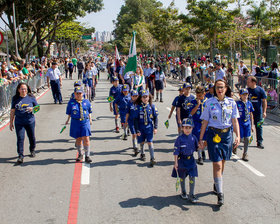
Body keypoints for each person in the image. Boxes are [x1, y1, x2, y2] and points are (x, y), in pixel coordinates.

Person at [199, 79, 240, 206]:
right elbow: (205, 122)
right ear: (214, 89)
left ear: (226, 88)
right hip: (213, 134)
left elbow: (234, 120)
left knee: (222, 162)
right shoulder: (209, 103)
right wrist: (201, 138)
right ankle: (220, 194)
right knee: (217, 164)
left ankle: (217, 183)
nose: (220, 90)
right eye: (217, 87)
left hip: (227, 135)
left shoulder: (232, 103)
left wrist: (237, 136)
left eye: (222, 87)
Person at [171, 118, 199, 203]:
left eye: (189, 128)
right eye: (185, 127)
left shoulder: (194, 138)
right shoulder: (179, 139)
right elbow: (176, 152)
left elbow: (197, 148)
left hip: (191, 160)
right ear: (182, 128)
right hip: (182, 161)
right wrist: (175, 163)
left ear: (192, 128)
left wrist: (202, 146)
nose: (187, 130)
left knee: (192, 177)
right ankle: (183, 192)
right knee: (182, 177)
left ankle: (191, 194)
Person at [10, 83, 38, 163]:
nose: (23, 90)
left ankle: (32, 149)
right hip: (19, 122)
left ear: (27, 89)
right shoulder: (15, 98)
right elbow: (12, 111)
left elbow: (37, 108)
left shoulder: (31, 97)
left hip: (30, 121)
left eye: (25, 89)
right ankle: (20, 155)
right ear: (18, 90)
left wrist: (32, 109)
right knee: (20, 138)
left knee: (31, 137)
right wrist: (11, 122)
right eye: (22, 89)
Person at [65, 87, 93, 163]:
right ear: (74, 94)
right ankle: (80, 154)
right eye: (77, 93)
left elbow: (89, 111)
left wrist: (90, 119)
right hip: (75, 122)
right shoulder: (71, 103)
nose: (78, 95)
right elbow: (69, 113)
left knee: (86, 138)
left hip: (85, 122)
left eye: (80, 93)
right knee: (78, 139)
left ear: (83, 94)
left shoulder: (86, 102)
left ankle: (87, 155)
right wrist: (67, 120)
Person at [135, 90, 158, 167]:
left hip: (149, 127)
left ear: (149, 97)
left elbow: (155, 118)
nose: (145, 98)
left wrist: (155, 127)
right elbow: (135, 119)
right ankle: (142, 152)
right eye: (143, 97)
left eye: (146, 97)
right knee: (141, 142)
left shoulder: (152, 106)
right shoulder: (138, 107)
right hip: (141, 127)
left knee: (150, 142)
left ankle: (152, 158)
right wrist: (137, 130)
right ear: (141, 98)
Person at [247, 76, 267, 149]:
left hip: (258, 112)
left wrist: (264, 111)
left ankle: (259, 141)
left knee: (258, 126)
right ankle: (246, 140)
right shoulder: (247, 90)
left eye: (249, 82)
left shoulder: (260, 90)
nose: (247, 83)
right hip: (248, 113)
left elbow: (264, 101)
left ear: (254, 82)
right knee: (247, 126)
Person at [190, 86, 208, 165]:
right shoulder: (193, 102)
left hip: (206, 123)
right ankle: (199, 156)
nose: (198, 97)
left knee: (205, 139)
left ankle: (203, 150)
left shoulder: (208, 102)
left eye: (200, 96)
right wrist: (197, 105)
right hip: (197, 123)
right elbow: (191, 113)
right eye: (197, 95)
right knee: (198, 139)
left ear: (204, 94)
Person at [235, 89, 254, 161]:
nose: (245, 96)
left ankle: (245, 153)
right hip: (240, 122)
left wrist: (252, 125)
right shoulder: (237, 103)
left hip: (247, 123)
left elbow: (251, 114)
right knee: (240, 138)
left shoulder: (249, 103)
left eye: (246, 94)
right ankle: (235, 146)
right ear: (240, 95)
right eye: (243, 94)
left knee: (247, 138)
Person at [126, 90, 139, 156]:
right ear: (131, 96)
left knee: (138, 134)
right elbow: (127, 113)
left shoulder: (139, 103)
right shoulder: (129, 103)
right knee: (134, 134)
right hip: (131, 121)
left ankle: (137, 145)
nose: (135, 97)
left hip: (138, 121)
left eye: (136, 96)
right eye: (133, 96)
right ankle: (135, 147)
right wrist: (126, 122)